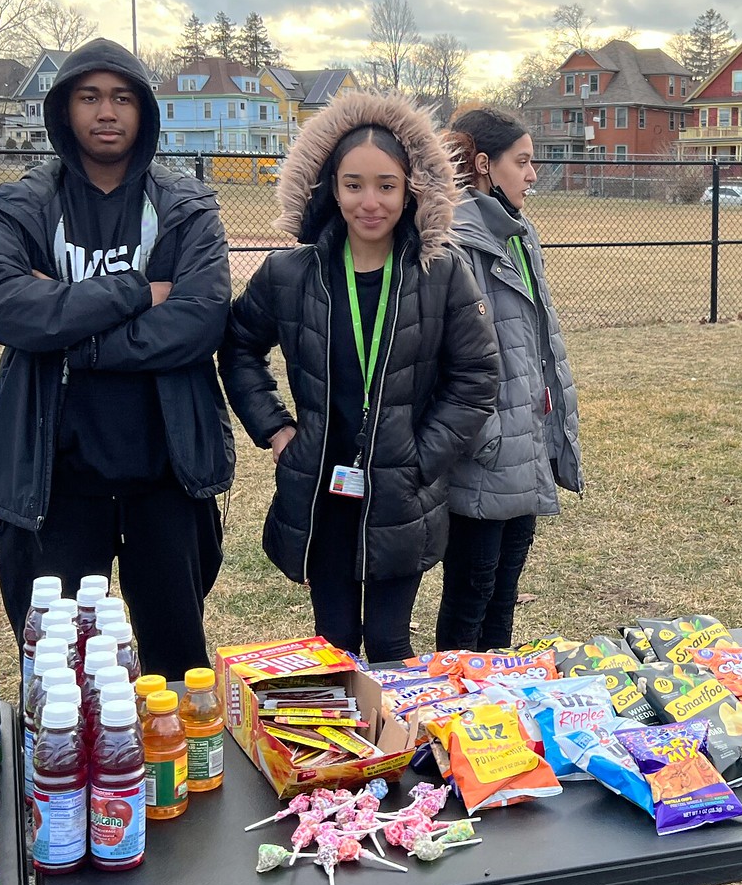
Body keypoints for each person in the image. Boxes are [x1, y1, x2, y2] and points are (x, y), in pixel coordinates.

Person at [0, 37, 235, 674]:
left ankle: (172, 776)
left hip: (164, 475)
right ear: (65, 110)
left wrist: (70, 333)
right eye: (89, 97)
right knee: (62, 669)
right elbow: (4, 305)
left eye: (121, 97)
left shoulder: (186, 208)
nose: (106, 111)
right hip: (57, 481)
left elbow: (199, 320)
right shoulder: (24, 204)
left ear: (144, 111)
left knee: (175, 665)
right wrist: (137, 290)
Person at [221, 91, 499, 662]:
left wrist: (422, 458)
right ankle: (345, 750)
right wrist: (276, 430)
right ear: (330, 186)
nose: (369, 201)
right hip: (324, 491)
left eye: (386, 185)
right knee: (336, 645)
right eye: (354, 185)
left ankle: (394, 749)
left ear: (411, 189)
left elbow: (476, 375)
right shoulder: (288, 273)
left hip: (401, 492)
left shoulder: (441, 272)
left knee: (393, 644)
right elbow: (238, 345)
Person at [435, 108, 582, 650]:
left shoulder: (518, 233)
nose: (532, 174)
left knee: (503, 594)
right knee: (470, 594)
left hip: (527, 444)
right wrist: (488, 438)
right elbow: (448, 362)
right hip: (487, 454)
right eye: (522, 162)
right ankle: (452, 703)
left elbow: (537, 346)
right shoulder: (455, 243)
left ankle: (495, 709)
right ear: (482, 165)